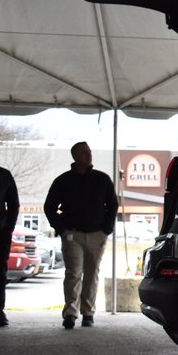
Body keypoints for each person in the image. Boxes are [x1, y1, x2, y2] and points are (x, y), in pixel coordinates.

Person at [43, 141, 118, 329]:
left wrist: (106, 229)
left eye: (90, 152)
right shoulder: (63, 181)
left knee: (92, 274)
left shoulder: (102, 179)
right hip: (72, 235)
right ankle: (70, 313)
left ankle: (88, 313)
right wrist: (62, 229)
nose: (89, 155)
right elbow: (49, 207)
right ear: (75, 157)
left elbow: (113, 205)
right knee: (73, 274)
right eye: (84, 153)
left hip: (97, 235)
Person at [0, 145, 19, 328]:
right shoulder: (4, 175)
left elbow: (13, 204)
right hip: (1, 229)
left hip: (0, 230)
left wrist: (8, 228)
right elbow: (14, 205)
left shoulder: (4, 176)